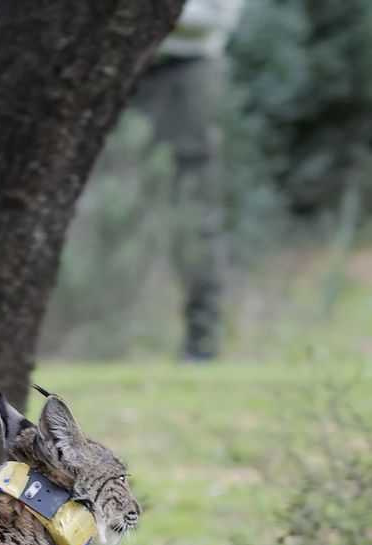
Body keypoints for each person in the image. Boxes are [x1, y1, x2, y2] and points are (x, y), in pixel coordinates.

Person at [130, 0, 245, 362]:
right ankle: (96, 335)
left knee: (194, 214)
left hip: (186, 72)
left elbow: (211, 18)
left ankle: (201, 341)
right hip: (113, 70)